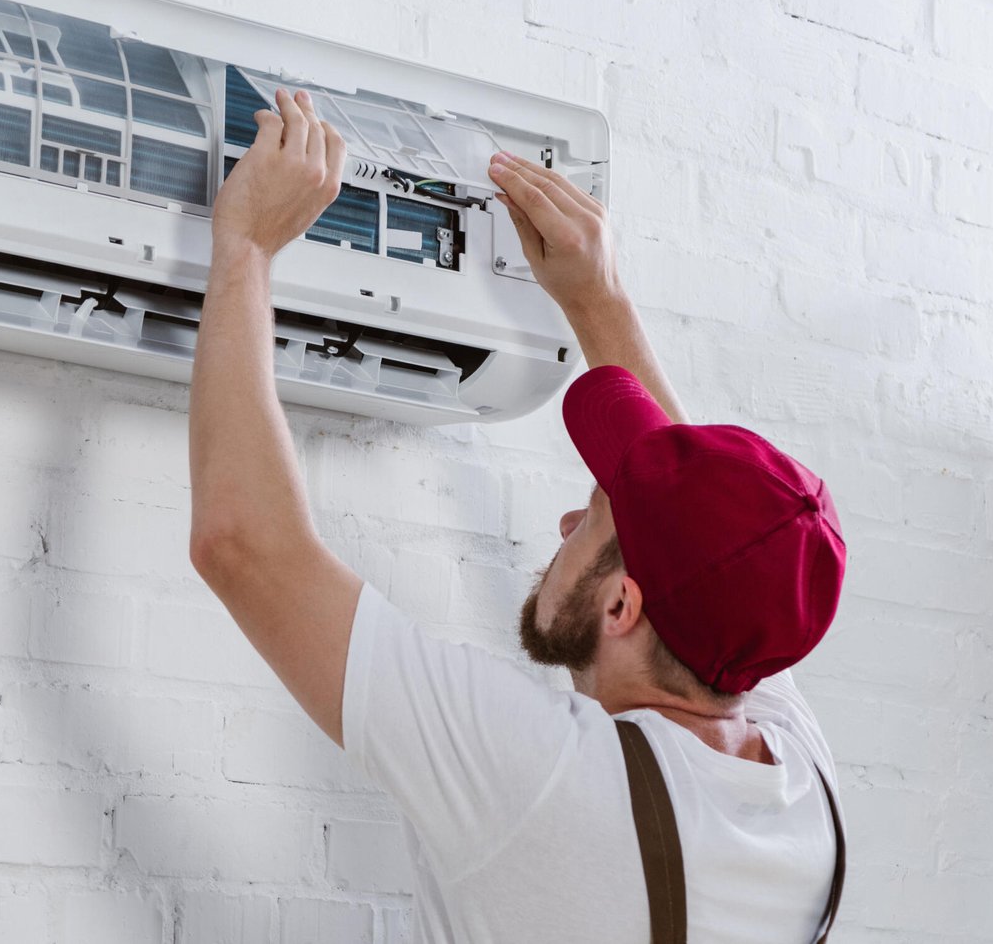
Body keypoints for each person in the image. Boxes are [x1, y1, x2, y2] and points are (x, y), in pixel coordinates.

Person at [187, 89, 847, 942]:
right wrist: (599, 300)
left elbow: (244, 548)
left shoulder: (546, 781)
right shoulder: (802, 790)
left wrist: (245, 248)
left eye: (594, 519)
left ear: (623, 608)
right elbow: (717, 533)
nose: (566, 525)